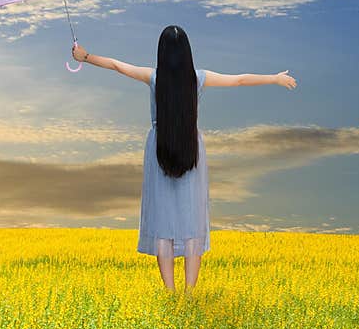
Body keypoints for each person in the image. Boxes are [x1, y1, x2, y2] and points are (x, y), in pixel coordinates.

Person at [72, 25, 297, 292]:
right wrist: (274, 78)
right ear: (188, 52)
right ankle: (190, 292)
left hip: (159, 149)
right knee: (192, 219)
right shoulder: (198, 78)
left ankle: (171, 292)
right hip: (191, 148)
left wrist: (86, 57)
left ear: (162, 53)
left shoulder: (153, 77)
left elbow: (117, 66)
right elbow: (238, 79)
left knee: (162, 218)